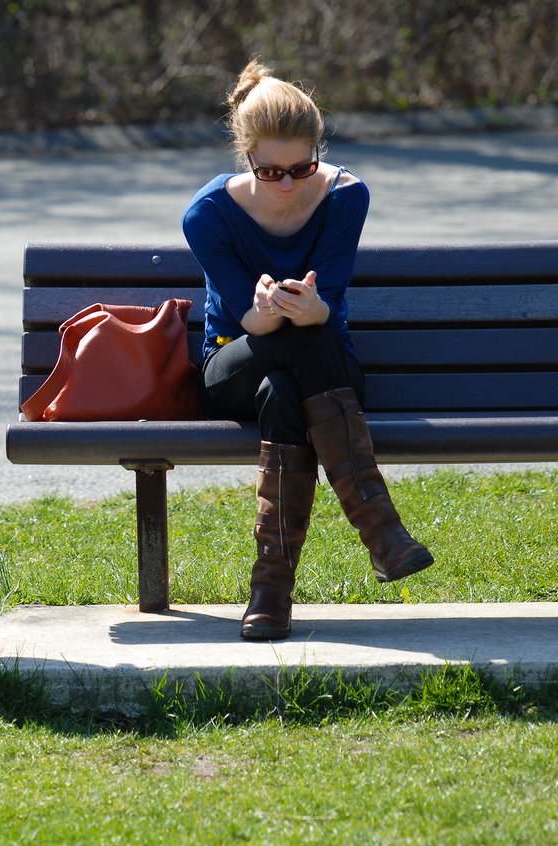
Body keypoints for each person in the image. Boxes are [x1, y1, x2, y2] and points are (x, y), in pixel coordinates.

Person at [181, 59, 434, 641]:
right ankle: (381, 533)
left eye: (302, 167)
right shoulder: (208, 215)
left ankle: (270, 591)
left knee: (291, 379)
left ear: (318, 151)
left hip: (321, 367)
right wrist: (267, 315)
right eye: (271, 172)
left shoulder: (346, 196)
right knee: (291, 350)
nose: (289, 183)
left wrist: (313, 309)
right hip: (234, 360)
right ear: (246, 157)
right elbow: (240, 317)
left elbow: (332, 302)